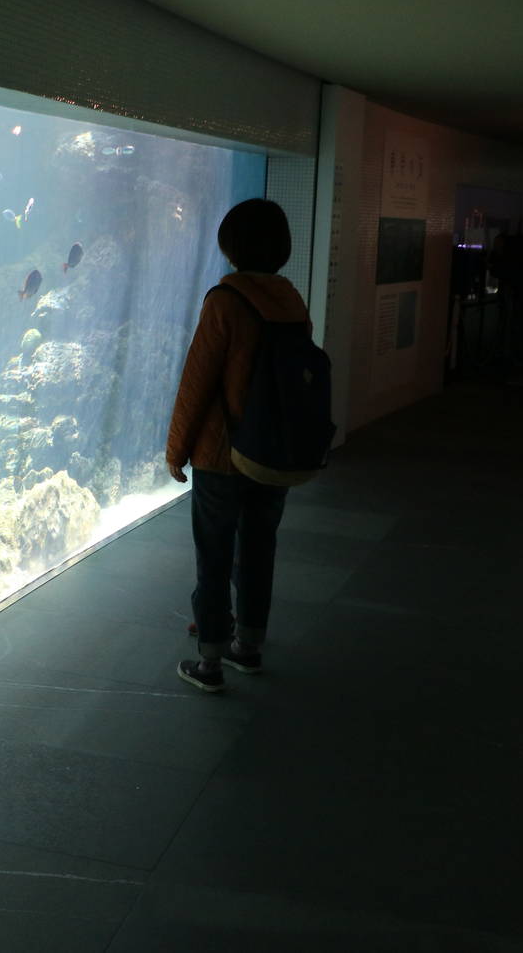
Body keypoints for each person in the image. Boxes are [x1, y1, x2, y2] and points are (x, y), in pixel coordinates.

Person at [165, 198, 312, 692]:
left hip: (222, 454)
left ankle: (209, 660)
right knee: (258, 548)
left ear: (231, 246)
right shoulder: (290, 299)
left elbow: (197, 381)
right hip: (273, 450)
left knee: (214, 552)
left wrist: (176, 450)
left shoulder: (225, 301)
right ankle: (247, 646)